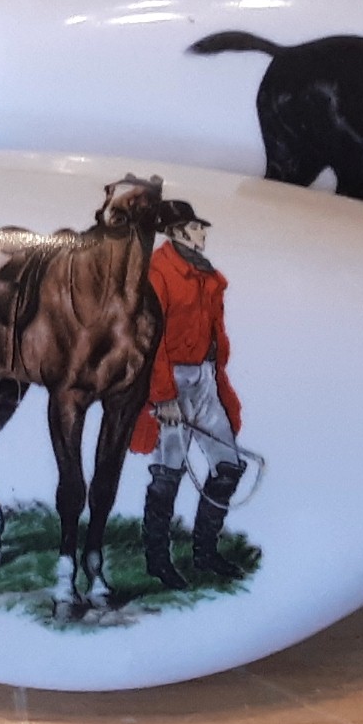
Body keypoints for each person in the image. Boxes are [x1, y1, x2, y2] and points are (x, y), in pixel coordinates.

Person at [132, 199, 248, 590]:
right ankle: (157, 560)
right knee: (169, 473)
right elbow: (149, 340)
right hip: (170, 381)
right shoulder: (157, 273)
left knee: (228, 466)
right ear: (178, 231)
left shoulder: (206, 273)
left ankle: (205, 552)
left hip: (205, 379)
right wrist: (163, 396)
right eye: (197, 227)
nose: (203, 232)